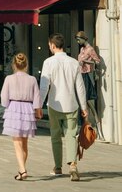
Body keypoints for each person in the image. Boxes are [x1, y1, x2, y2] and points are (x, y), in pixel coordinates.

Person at [39, 33, 88, 181]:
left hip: (54, 104)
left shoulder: (48, 62)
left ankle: (58, 167)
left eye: (49, 45)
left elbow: (44, 86)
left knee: (55, 136)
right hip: (71, 104)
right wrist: (84, 107)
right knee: (71, 135)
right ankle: (73, 165)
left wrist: (39, 105)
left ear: (53, 46)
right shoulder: (74, 62)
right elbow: (80, 87)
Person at [0, 53, 42, 181]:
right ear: (26, 65)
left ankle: (22, 170)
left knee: (17, 142)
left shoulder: (9, 78)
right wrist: (37, 110)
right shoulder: (32, 79)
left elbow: (4, 98)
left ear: (14, 65)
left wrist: (7, 105)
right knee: (24, 143)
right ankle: (21, 170)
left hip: (14, 108)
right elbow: (37, 98)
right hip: (28, 109)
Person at [76, 31, 101, 104]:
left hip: (86, 74)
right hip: (80, 73)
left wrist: (86, 61)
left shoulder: (90, 49)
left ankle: (91, 114)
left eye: (78, 39)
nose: (78, 42)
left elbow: (97, 61)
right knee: (83, 97)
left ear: (83, 38)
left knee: (84, 97)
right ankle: (94, 115)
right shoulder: (82, 49)